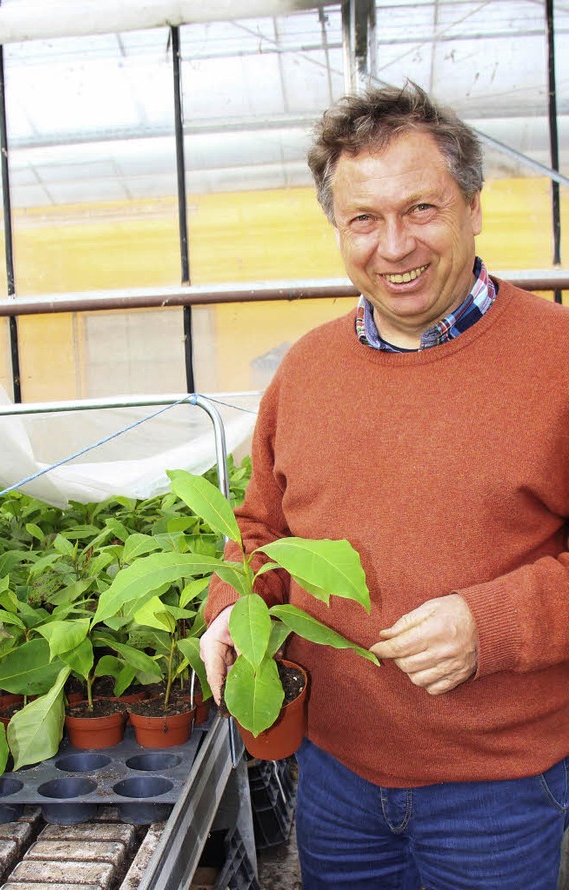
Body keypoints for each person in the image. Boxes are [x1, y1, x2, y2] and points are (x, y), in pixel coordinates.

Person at [200, 82, 569, 889]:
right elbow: (262, 526)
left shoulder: (558, 358)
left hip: (499, 789)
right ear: (339, 229)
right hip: (336, 778)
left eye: (422, 210)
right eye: (364, 219)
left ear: (474, 207)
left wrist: (494, 625)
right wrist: (232, 611)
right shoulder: (305, 370)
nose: (394, 245)